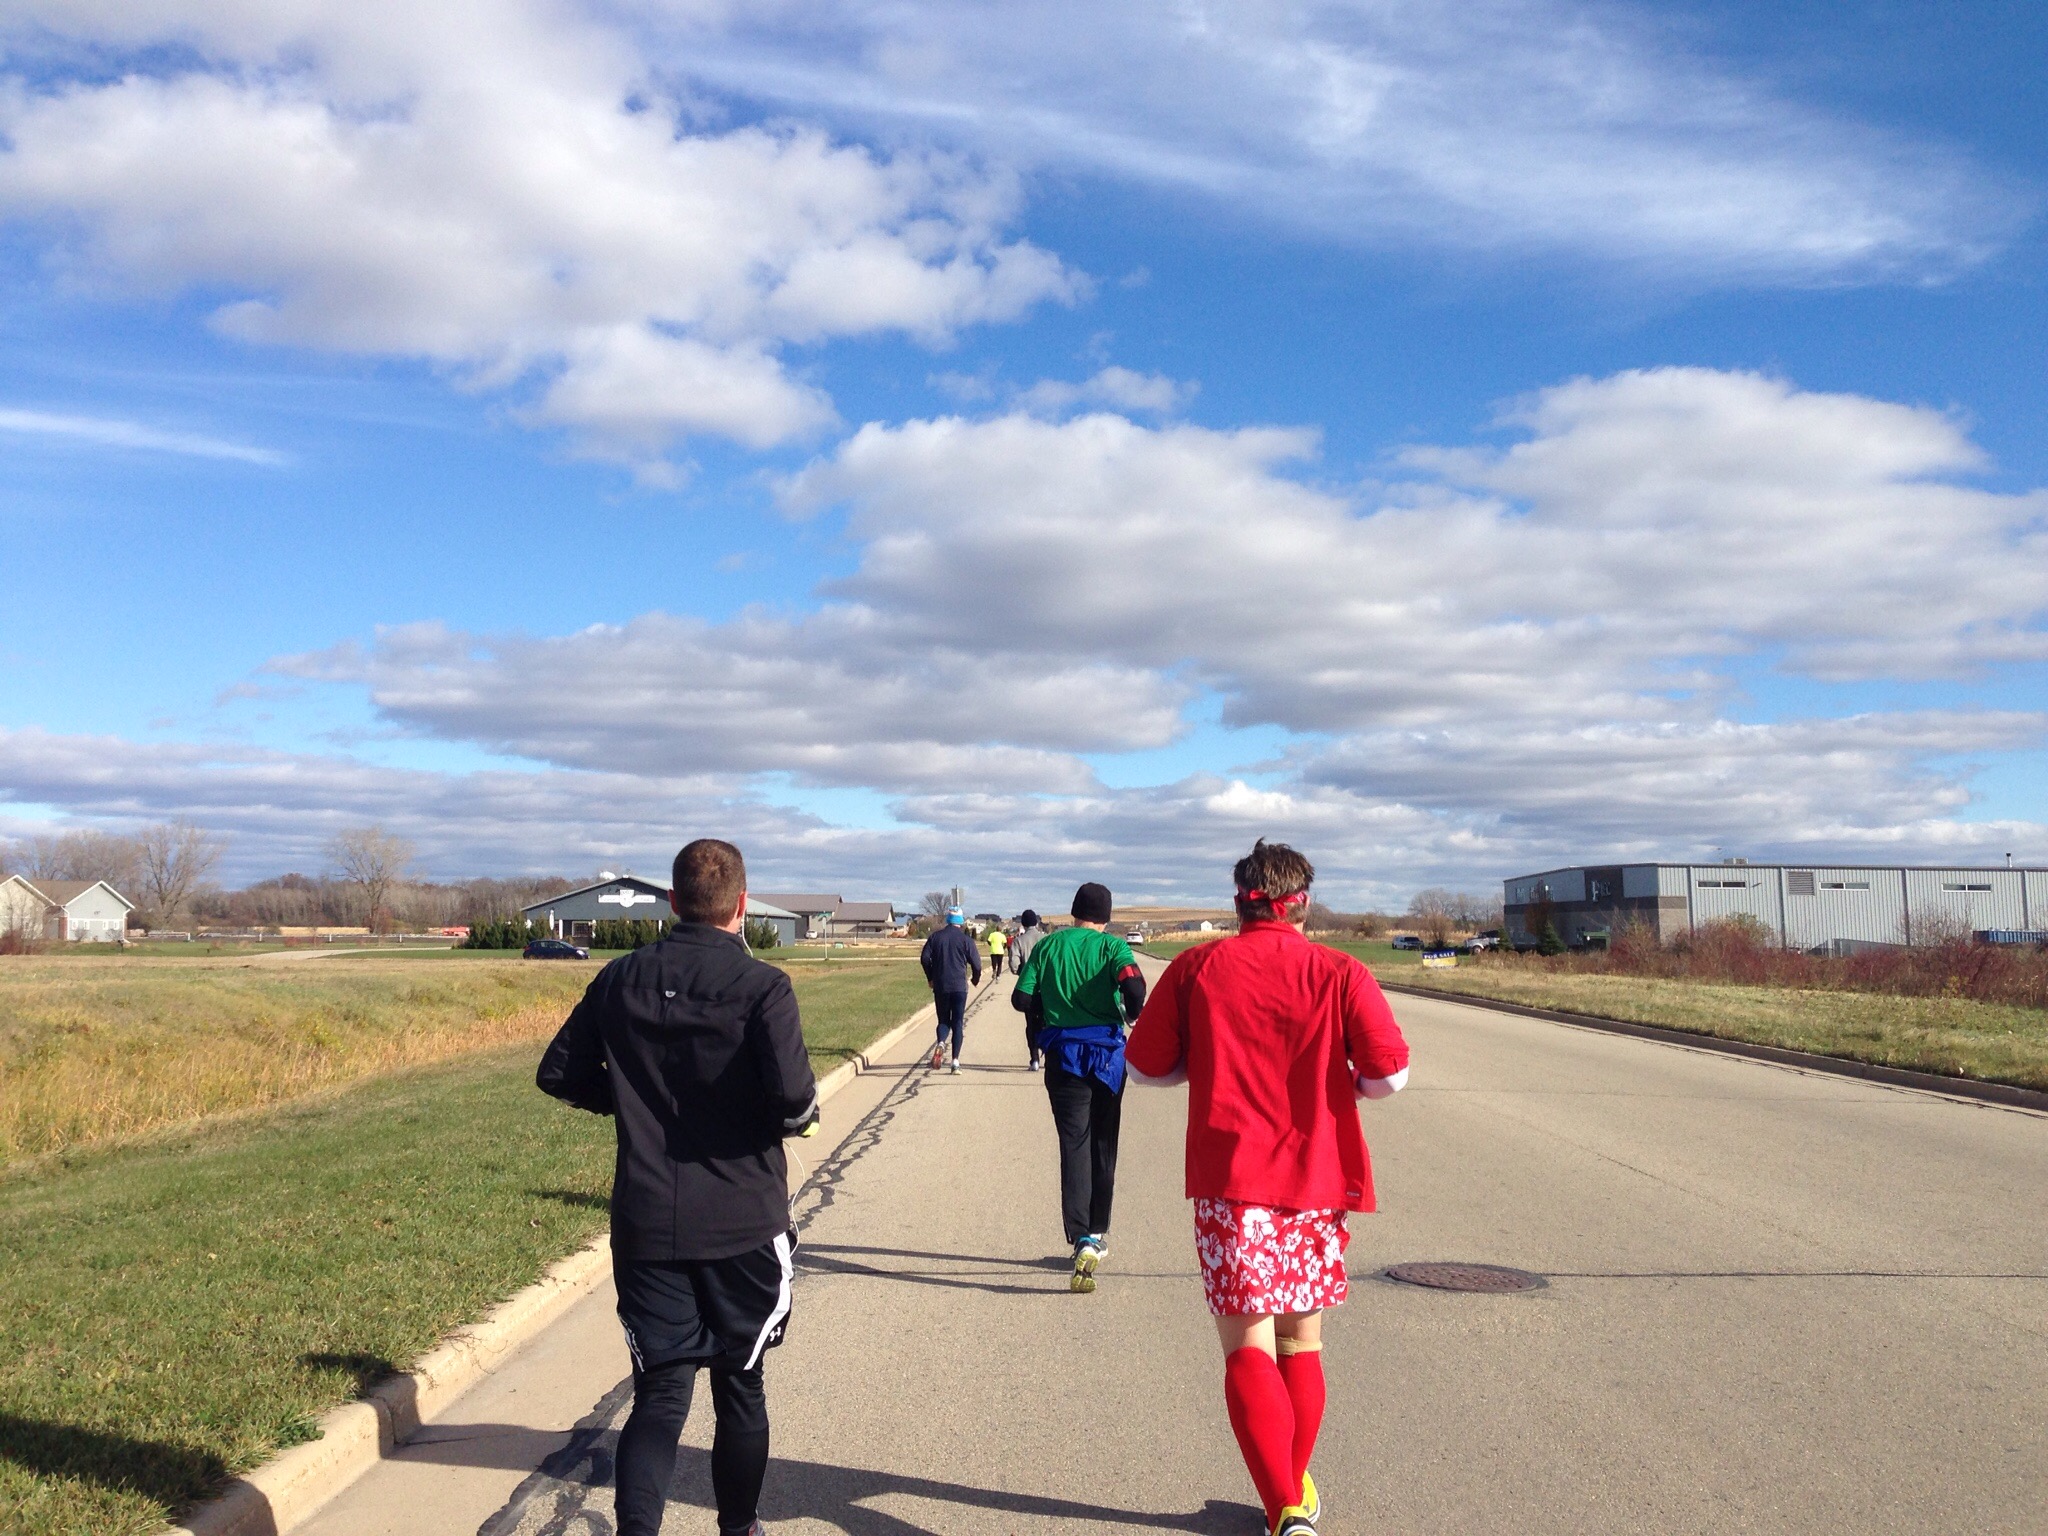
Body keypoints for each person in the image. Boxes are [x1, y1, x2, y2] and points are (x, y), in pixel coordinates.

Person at [1125, 840, 1410, 1536]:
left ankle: (1285, 1507)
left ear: (1239, 903)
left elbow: (1145, 1066)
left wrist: (1201, 1064)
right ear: (1302, 904)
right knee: (1300, 1343)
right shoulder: (1341, 971)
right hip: (1315, 1181)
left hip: (1231, 1183)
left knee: (1247, 1347)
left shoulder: (1197, 967)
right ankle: (1290, 1498)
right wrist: (1344, 1080)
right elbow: (1389, 1074)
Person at [536, 838, 820, 1536]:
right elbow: (795, 1101)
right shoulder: (763, 987)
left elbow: (560, 1073)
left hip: (648, 1223)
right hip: (743, 1222)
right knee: (741, 1386)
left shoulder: (620, 978)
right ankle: (738, 1528)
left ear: (672, 901)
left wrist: (629, 1101)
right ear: (742, 904)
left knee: (661, 1395)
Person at [1009, 882, 1146, 1291]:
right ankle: (1097, 1233)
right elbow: (1134, 986)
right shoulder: (1114, 949)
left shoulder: (1049, 946)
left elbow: (1020, 998)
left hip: (1064, 1057)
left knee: (1074, 1145)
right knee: (1104, 1144)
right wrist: (1131, 1014)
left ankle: (1080, 1234)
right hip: (1106, 1059)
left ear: (1074, 912)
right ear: (1107, 917)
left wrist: (1049, 1012)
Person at [919, 905, 982, 1072]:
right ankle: (955, 1061)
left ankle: (941, 1043)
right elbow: (976, 964)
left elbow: (924, 958)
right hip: (959, 987)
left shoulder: (935, 937)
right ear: (960, 921)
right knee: (957, 1022)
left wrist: (930, 977)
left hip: (941, 985)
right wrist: (975, 979)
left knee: (943, 1020)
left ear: (948, 919)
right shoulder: (966, 940)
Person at [1010, 910, 1048, 1070]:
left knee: (1031, 1023)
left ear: (1023, 924)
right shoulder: (1046, 939)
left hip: (1028, 989)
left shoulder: (1018, 941)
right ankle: (1049, 1055)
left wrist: (1023, 972)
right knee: (1047, 1022)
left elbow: (1014, 966)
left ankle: (1034, 1059)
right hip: (1046, 988)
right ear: (1037, 923)